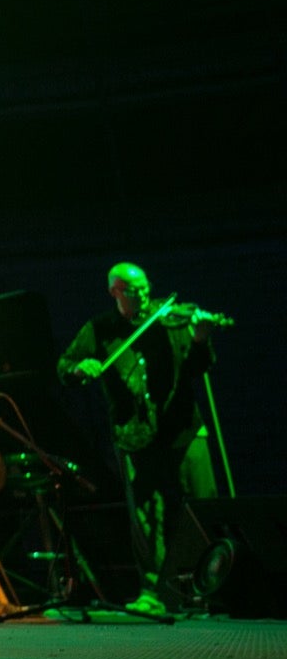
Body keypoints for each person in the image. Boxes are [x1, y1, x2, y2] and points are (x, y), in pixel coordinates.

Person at [57, 262, 219, 615]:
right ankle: (153, 591)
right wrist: (80, 368)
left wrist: (201, 340)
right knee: (146, 517)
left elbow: (197, 369)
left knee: (202, 504)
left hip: (183, 430)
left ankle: (212, 585)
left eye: (146, 287)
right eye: (134, 291)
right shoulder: (100, 330)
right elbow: (65, 366)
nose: (144, 295)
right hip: (134, 436)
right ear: (115, 292)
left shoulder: (171, 319)